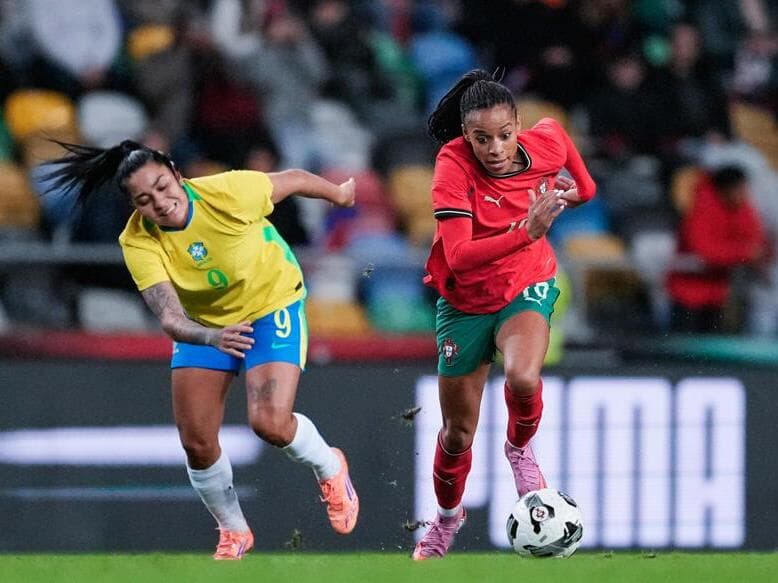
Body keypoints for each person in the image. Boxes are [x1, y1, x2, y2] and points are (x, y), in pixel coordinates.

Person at [42, 139, 359, 559]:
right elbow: (170, 318)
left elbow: (295, 179)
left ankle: (330, 466)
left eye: (162, 186)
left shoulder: (228, 192)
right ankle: (233, 531)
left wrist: (339, 194)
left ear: (177, 174)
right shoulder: (137, 241)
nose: (160, 202)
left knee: (270, 423)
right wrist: (213, 336)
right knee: (196, 441)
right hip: (205, 326)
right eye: (144, 200)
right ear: (134, 206)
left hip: (270, 304)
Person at [413, 69, 596, 560]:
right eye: (481, 138)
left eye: (504, 134)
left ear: (518, 124)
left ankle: (519, 449)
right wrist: (527, 231)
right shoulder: (452, 164)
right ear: (465, 135)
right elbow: (459, 257)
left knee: (523, 376)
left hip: (525, 284)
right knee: (457, 434)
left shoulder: (548, 141)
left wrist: (566, 196)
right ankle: (446, 519)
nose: (494, 148)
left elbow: (587, 188)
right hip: (466, 303)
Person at [666, 165, 765, 333]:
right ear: (727, 189)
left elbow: (754, 238)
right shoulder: (702, 208)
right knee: (685, 344)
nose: (744, 193)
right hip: (688, 293)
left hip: (718, 293)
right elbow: (705, 251)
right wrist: (743, 252)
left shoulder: (741, 207)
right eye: (740, 189)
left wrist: (747, 251)